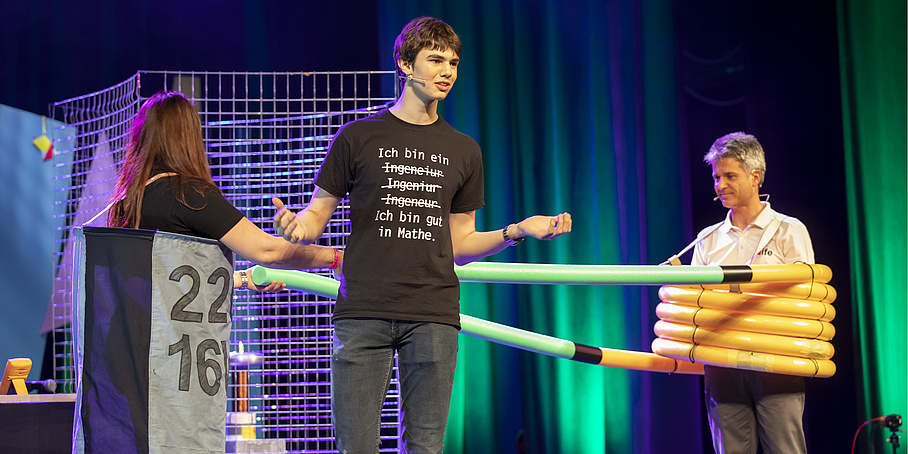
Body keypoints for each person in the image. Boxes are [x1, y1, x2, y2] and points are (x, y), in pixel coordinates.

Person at [272, 16, 572, 453]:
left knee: (426, 448)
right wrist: (298, 227)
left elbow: (461, 246)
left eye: (453, 62)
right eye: (435, 60)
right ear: (405, 64)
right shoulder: (357, 137)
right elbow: (317, 214)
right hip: (363, 311)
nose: (446, 71)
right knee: (355, 447)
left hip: (432, 312)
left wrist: (516, 230)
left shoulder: (464, 149)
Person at [108, 90, 343, 287]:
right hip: (180, 341)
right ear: (188, 137)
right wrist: (335, 258)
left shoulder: (126, 202)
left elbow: (167, 283)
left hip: (133, 337)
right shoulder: (188, 194)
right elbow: (267, 251)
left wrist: (242, 278)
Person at [692, 132, 813, 454]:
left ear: (755, 176)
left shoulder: (790, 229)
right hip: (721, 366)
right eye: (717, 177)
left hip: (776, 362)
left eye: (730, 175)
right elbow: (694, 302)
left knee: (785, 449)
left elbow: (805, 297)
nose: (720, 184)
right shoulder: (707, 239)